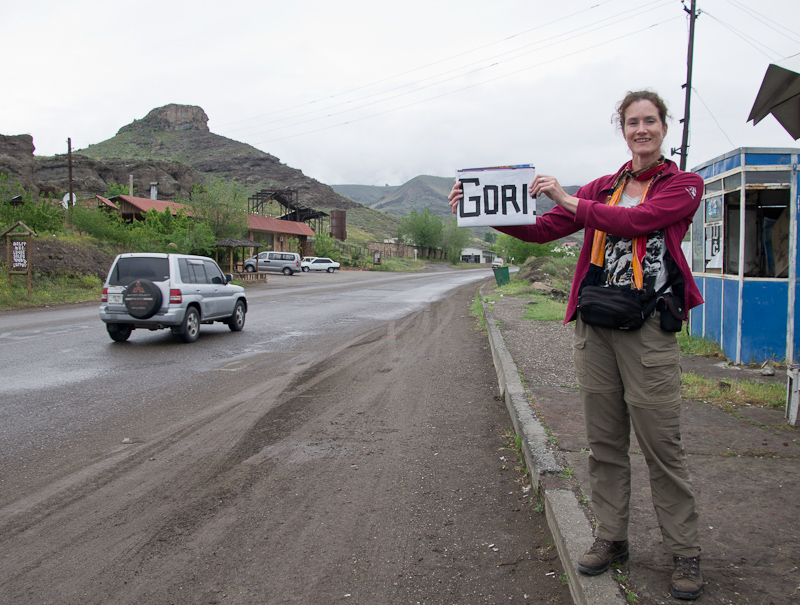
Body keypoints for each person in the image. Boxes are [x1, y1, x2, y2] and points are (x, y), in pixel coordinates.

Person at [448, 90, 705, 600]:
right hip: (596, 329)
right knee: (605, 443)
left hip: (650, 331)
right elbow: (543, 230)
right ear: (623, 129)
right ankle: (612, 538)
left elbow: (637, 222)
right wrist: (479, 211)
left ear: (663, 127)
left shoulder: (683, 186)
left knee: (662, 445)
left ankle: (685, 552)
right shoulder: (603, 187)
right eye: (632, 122)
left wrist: (570, 200)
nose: (641, 130)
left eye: (650, 121)